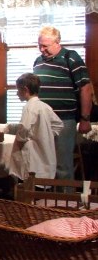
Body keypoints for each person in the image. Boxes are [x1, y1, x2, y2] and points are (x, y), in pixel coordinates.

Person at [33, 25, 94, 180]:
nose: (41, 49)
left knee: (63, 166)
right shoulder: (38, 61)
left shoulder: (70, 57)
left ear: (57, 42)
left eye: (45, 46)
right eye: (39, 45)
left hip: (64, 120)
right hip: (43, 120)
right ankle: (43, 203)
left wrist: (85, 119)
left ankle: (65, 202)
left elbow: (85, 88)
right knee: (43, 163)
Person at [6, 73, 64, 181]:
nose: (17, 93)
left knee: (30, 179)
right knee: (43, 177)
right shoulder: (45, 106)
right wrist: (46, 136)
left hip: (32, 151)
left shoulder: (29, 107)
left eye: (18, 90)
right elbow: (58, 124)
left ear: (25, 89)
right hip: (44, 149)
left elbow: (24, 129)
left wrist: (21, 140)